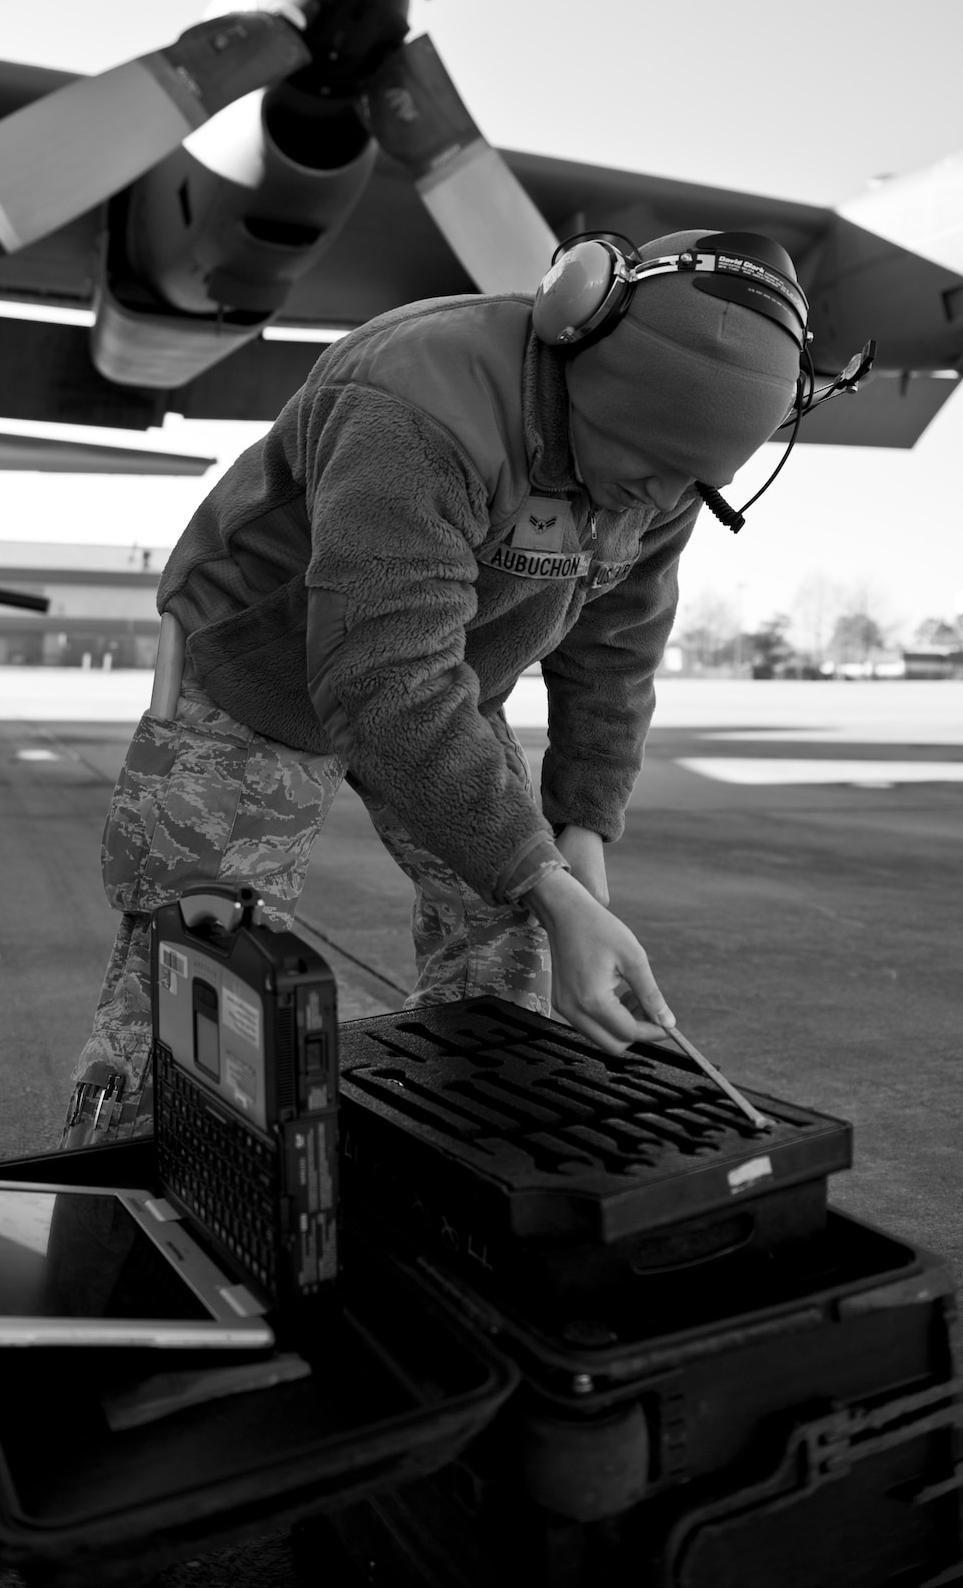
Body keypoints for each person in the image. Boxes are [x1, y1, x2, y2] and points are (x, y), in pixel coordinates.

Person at [61, 230, 805, 1148]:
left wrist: (579, 845)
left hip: (446, 672)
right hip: (260, 667)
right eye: (642, 466)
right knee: (200, 958)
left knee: (510, 922)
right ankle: (114, 1192)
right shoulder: (415, 401)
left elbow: (612, 655)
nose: (653, 503)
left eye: (688, 483)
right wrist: (550, 882)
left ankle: (461, 1151)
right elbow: (381, 680)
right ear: (578, 351)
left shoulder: (664, 473)